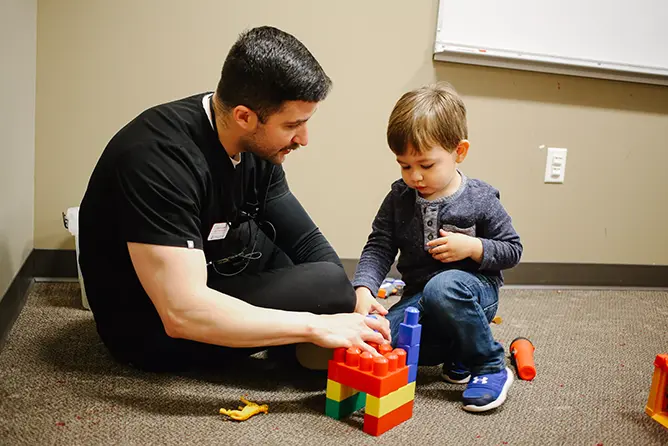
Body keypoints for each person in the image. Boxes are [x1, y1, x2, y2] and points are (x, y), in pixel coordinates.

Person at [78, 26, 389, 373]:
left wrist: (355, 303)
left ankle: (292, 340)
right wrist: (318, 325)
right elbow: (181, 312)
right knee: (326, 287)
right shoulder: (157, 159)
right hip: (148, 322)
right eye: (292, 125)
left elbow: (305, 240)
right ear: (244, 116)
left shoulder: (254, 144)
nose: (303, 138)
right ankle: (294, 345)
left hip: (211, 269)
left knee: (329, 279)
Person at [352, 81, 523, 412]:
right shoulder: (399, 198)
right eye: (404, 165)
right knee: (382, 336)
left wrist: (473, 247)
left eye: (426, 165)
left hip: (473, 293)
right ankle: (458, 350)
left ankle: (489, 363)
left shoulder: (481, 199)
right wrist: (363, 289)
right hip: (419, 300)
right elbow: (379, 245)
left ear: (459, 152)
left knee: (443, 286)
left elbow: (512, 249)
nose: (415, 176)